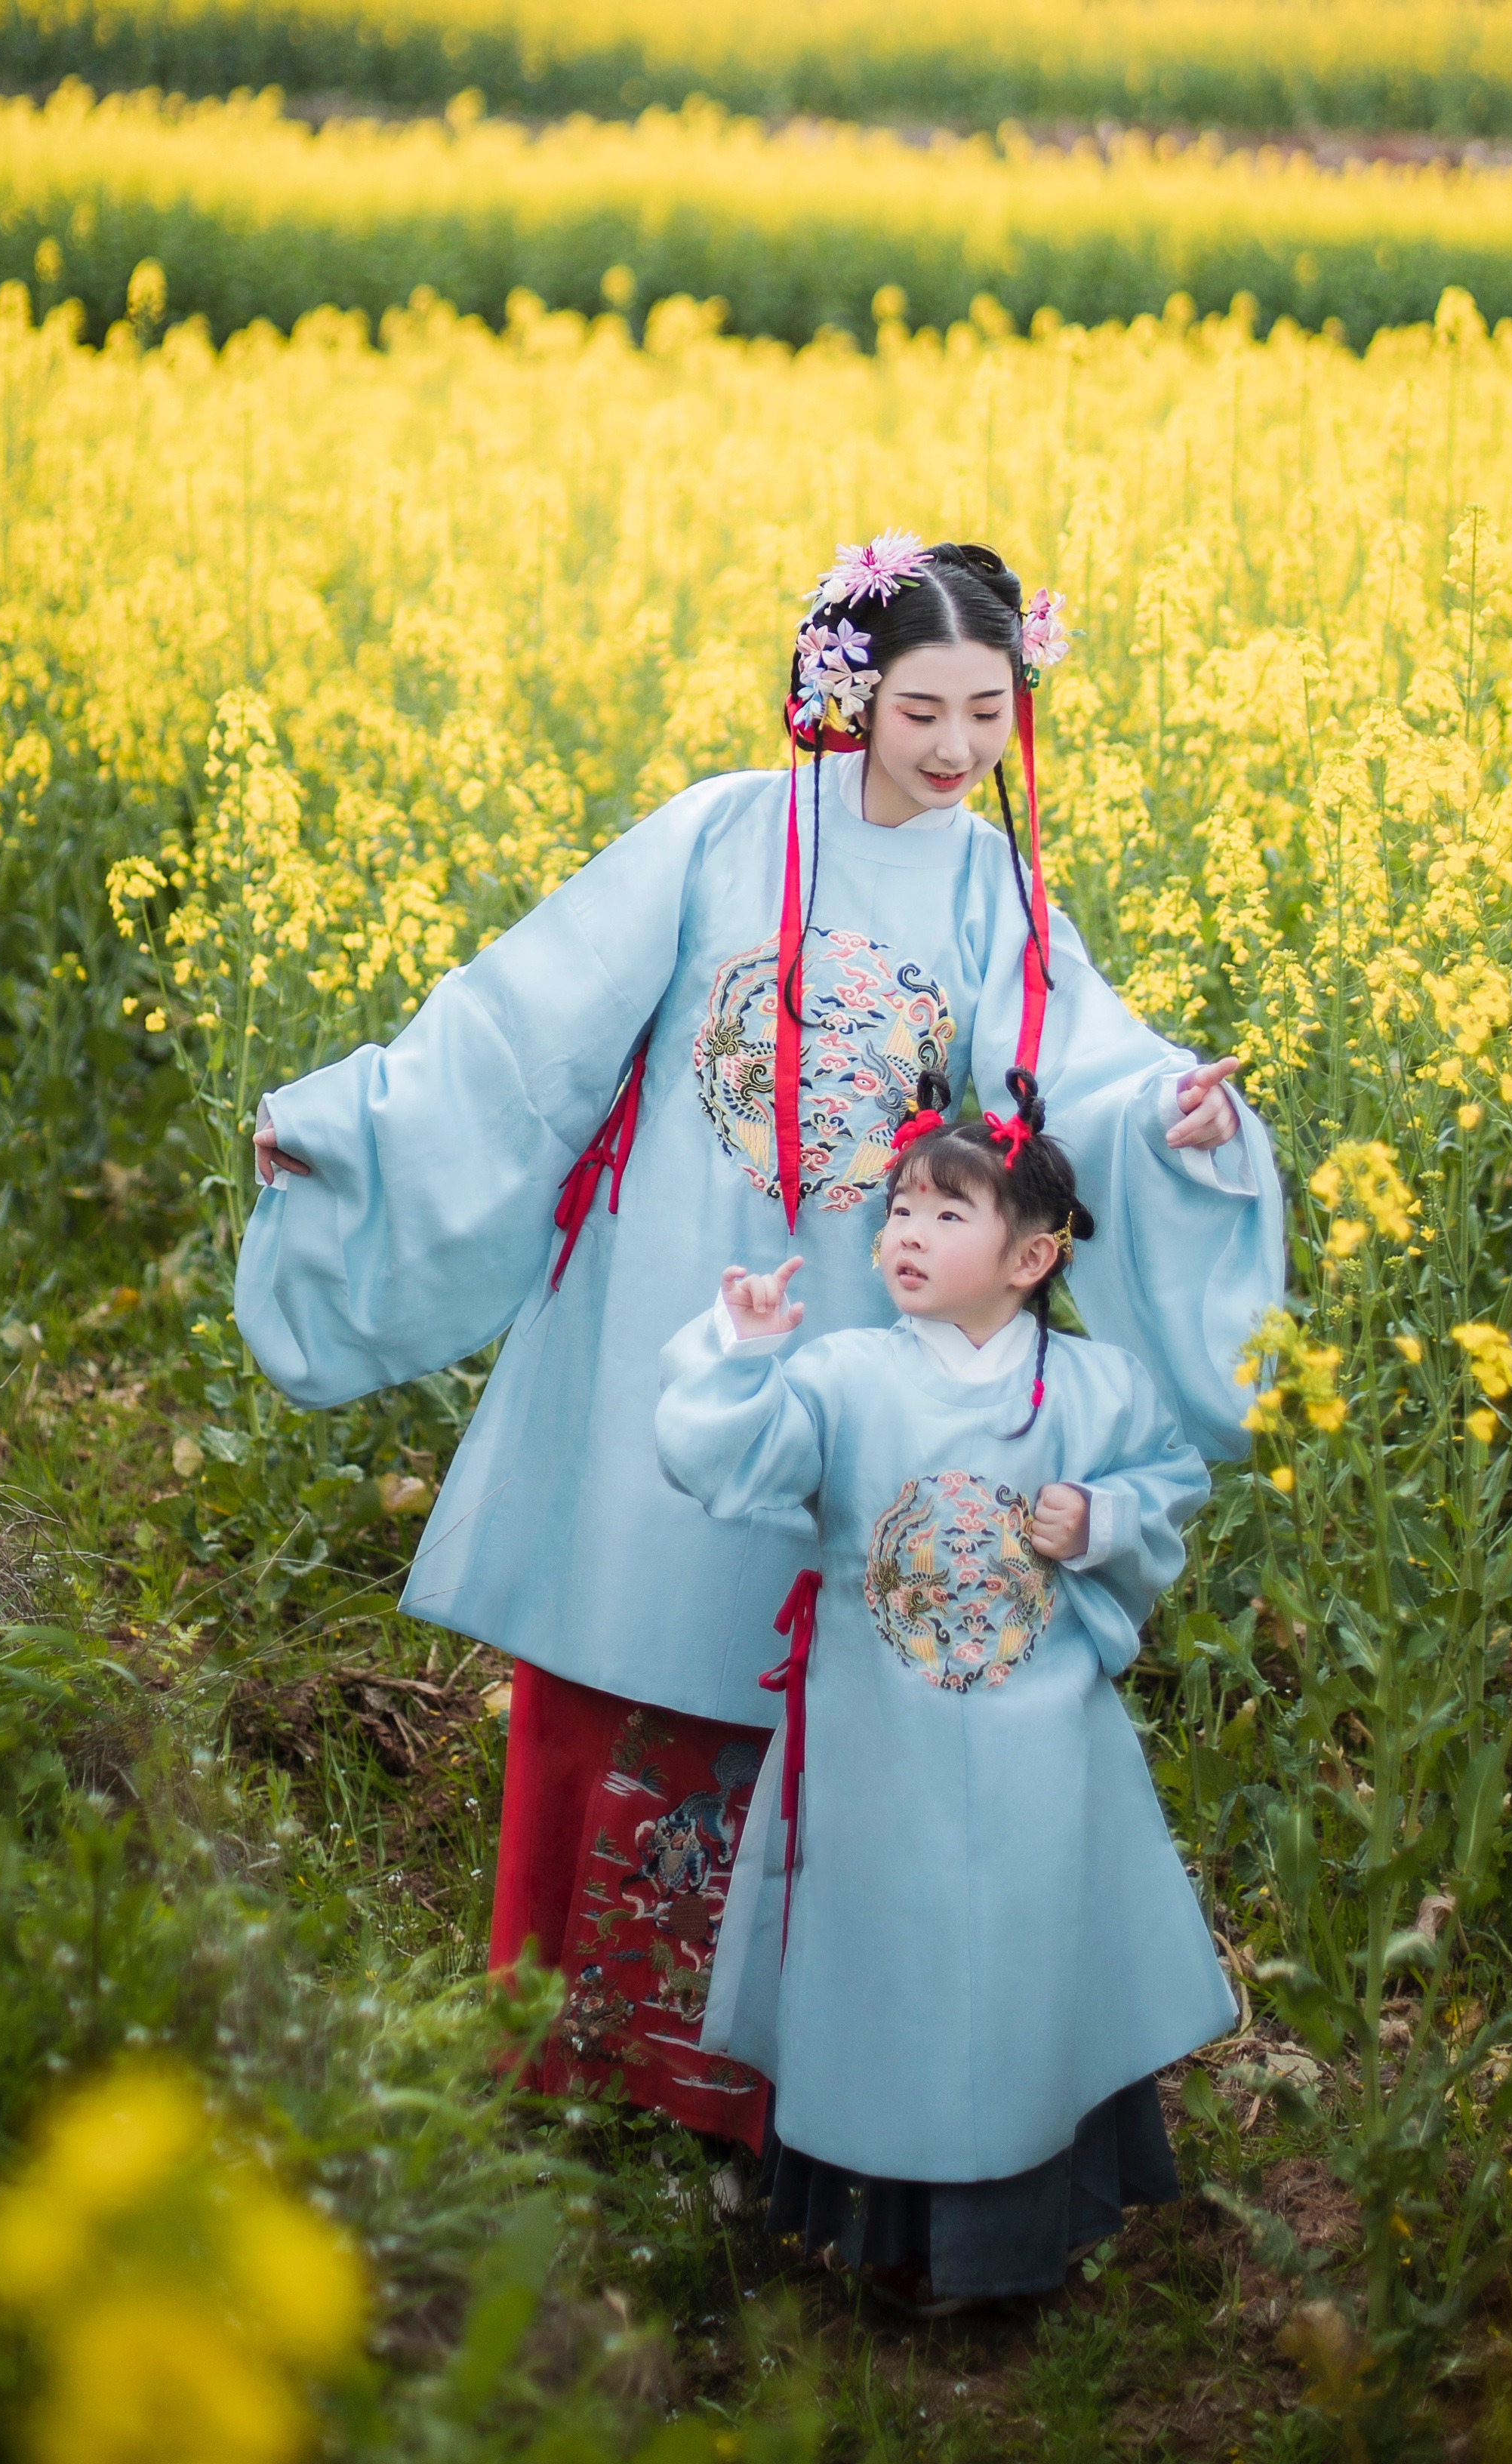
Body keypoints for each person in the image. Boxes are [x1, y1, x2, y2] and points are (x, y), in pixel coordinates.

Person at [236, 534, 1281, 2145]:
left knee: (837, 1663)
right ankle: (579, 2074)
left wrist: (1173, 1120)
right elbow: (527, 1022)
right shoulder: (721, 833)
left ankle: (803, 2101)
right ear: (846, 692)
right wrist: (356, 1129)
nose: (953, 749)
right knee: (648, 1607)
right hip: (676, 1297)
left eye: (990, 715)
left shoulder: (996, 888)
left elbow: (1076, 1067)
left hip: (883, 1325)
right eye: (922, 707)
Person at [654, 1075, 1232, 2313]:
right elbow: (723, 1459)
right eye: (898, 1210)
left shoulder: (1093, 1390)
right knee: (889, 1960)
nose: (903, 1235)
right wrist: (746, 1353)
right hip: (878, 1746)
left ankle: (1021, 2245)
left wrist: (1104, 1516)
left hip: (1043, 1751)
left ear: (1031, 1256)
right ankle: (887, 2244)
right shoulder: (844, 1377)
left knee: (1031, 1960)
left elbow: (1169, 1478)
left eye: (944, 1214)